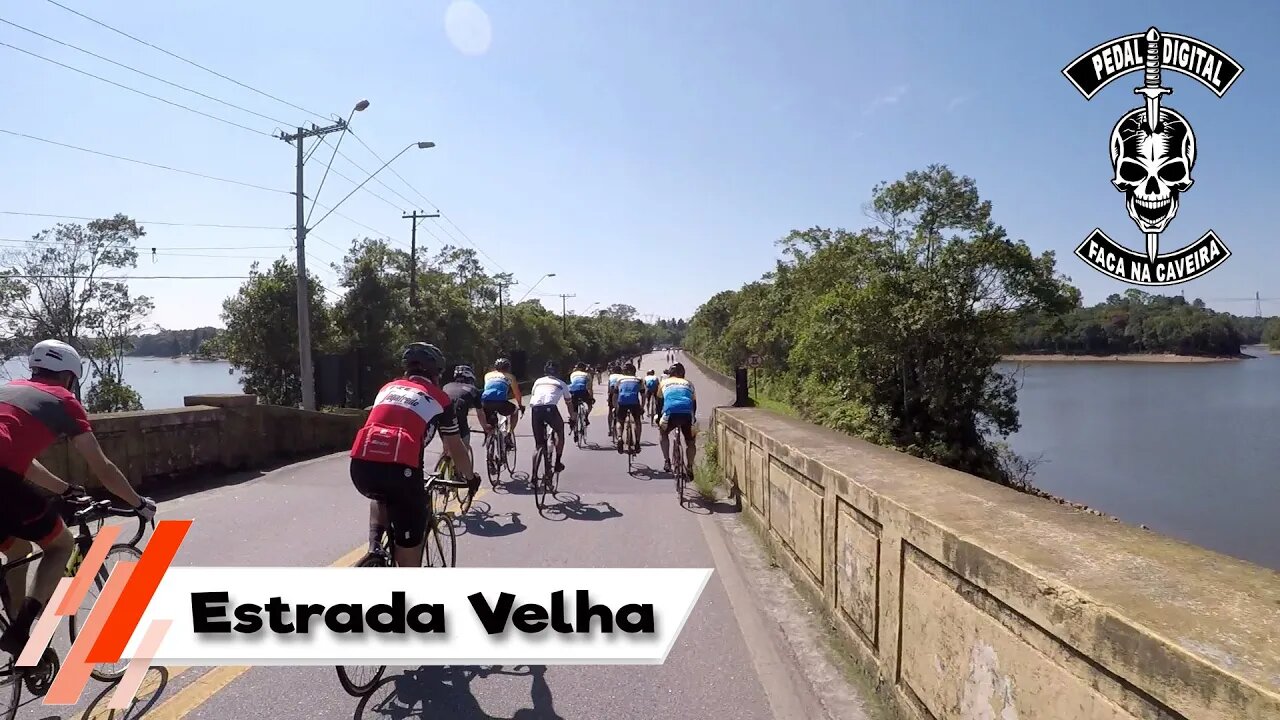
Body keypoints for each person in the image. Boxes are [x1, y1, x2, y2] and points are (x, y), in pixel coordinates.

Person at [0, 340, 157, 655]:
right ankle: (20, 631)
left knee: (17, 547)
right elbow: (103, 467)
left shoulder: (7, 390)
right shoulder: (63, 400)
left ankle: (19, 631)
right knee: (61, 546)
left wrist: (63, 488)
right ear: (70, 377)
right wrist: (138, 503)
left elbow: (20, 460)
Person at [350, 343, 479, 569]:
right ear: (436, 373)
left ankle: (375, 548)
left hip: (361, 467)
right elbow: (455, 446)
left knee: (380, 493)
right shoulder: (440, 398)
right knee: (408, 555)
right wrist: (469, 478)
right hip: (401, 471)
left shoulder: (387, 388)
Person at [528, 362, 574, 473]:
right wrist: (572, 417)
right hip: (550, 409)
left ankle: (533, 476)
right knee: (559, 431)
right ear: (558, 372)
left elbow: (534, 395)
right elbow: (569, 403)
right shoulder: (562, 384)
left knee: (538, 445)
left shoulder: (538, 381)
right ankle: (558, 462)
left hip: (536, 409)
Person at [440, 365, 492, 459]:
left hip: (441, 414)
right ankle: (461, 470)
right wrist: (485, 427)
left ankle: (442, 467)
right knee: (463, 449)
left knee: (447, 447)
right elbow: (480, 413)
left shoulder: (446, 386)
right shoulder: (472, 389)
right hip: (458, 414)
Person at [656, 362, 698, 473]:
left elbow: (659, 403)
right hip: (687, 415)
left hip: (670, 414)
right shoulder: (689, 383)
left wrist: (658, 418)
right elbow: (694, 405)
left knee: (663, 433)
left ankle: (667, 461)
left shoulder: (663, 383)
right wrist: (693, 419)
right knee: (691, 442)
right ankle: (689, 467)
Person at [481, 358, 524, 451]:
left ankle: (489, 438)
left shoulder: (487, 375)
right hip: (501, 402)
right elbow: (517, 393)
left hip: (485, 401)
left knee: (491, 424)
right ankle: (509, 433)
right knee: (515, 410)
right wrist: (520, 405)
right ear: (508, 368)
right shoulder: (510, 377)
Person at [613, 363, 645, 452]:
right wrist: (642, 407)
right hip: (634, 402)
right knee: (637, 421)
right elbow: (643, 395)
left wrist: (615, 406)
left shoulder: (619, 379)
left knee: (620, 421)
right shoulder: (639, 379)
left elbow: (615, 395)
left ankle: (619, 438)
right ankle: (637, 442)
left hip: (622, 402)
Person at [567, 362, 594, 427]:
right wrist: (591, 397)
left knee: (574, 408)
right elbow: (589, 388)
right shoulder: (587, 374)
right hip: (583, 391)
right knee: (589, 405)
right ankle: (586, 417)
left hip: (573, 391)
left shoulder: (573, 374)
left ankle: (573, 420)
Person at [605, 363, 624, 439]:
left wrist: (608, 397)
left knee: (610, 411)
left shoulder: (611, 376)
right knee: (620, 412)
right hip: (620, 393)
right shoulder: (622, 377)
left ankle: (610, 430)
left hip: (612, 393)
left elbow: (609, 389)